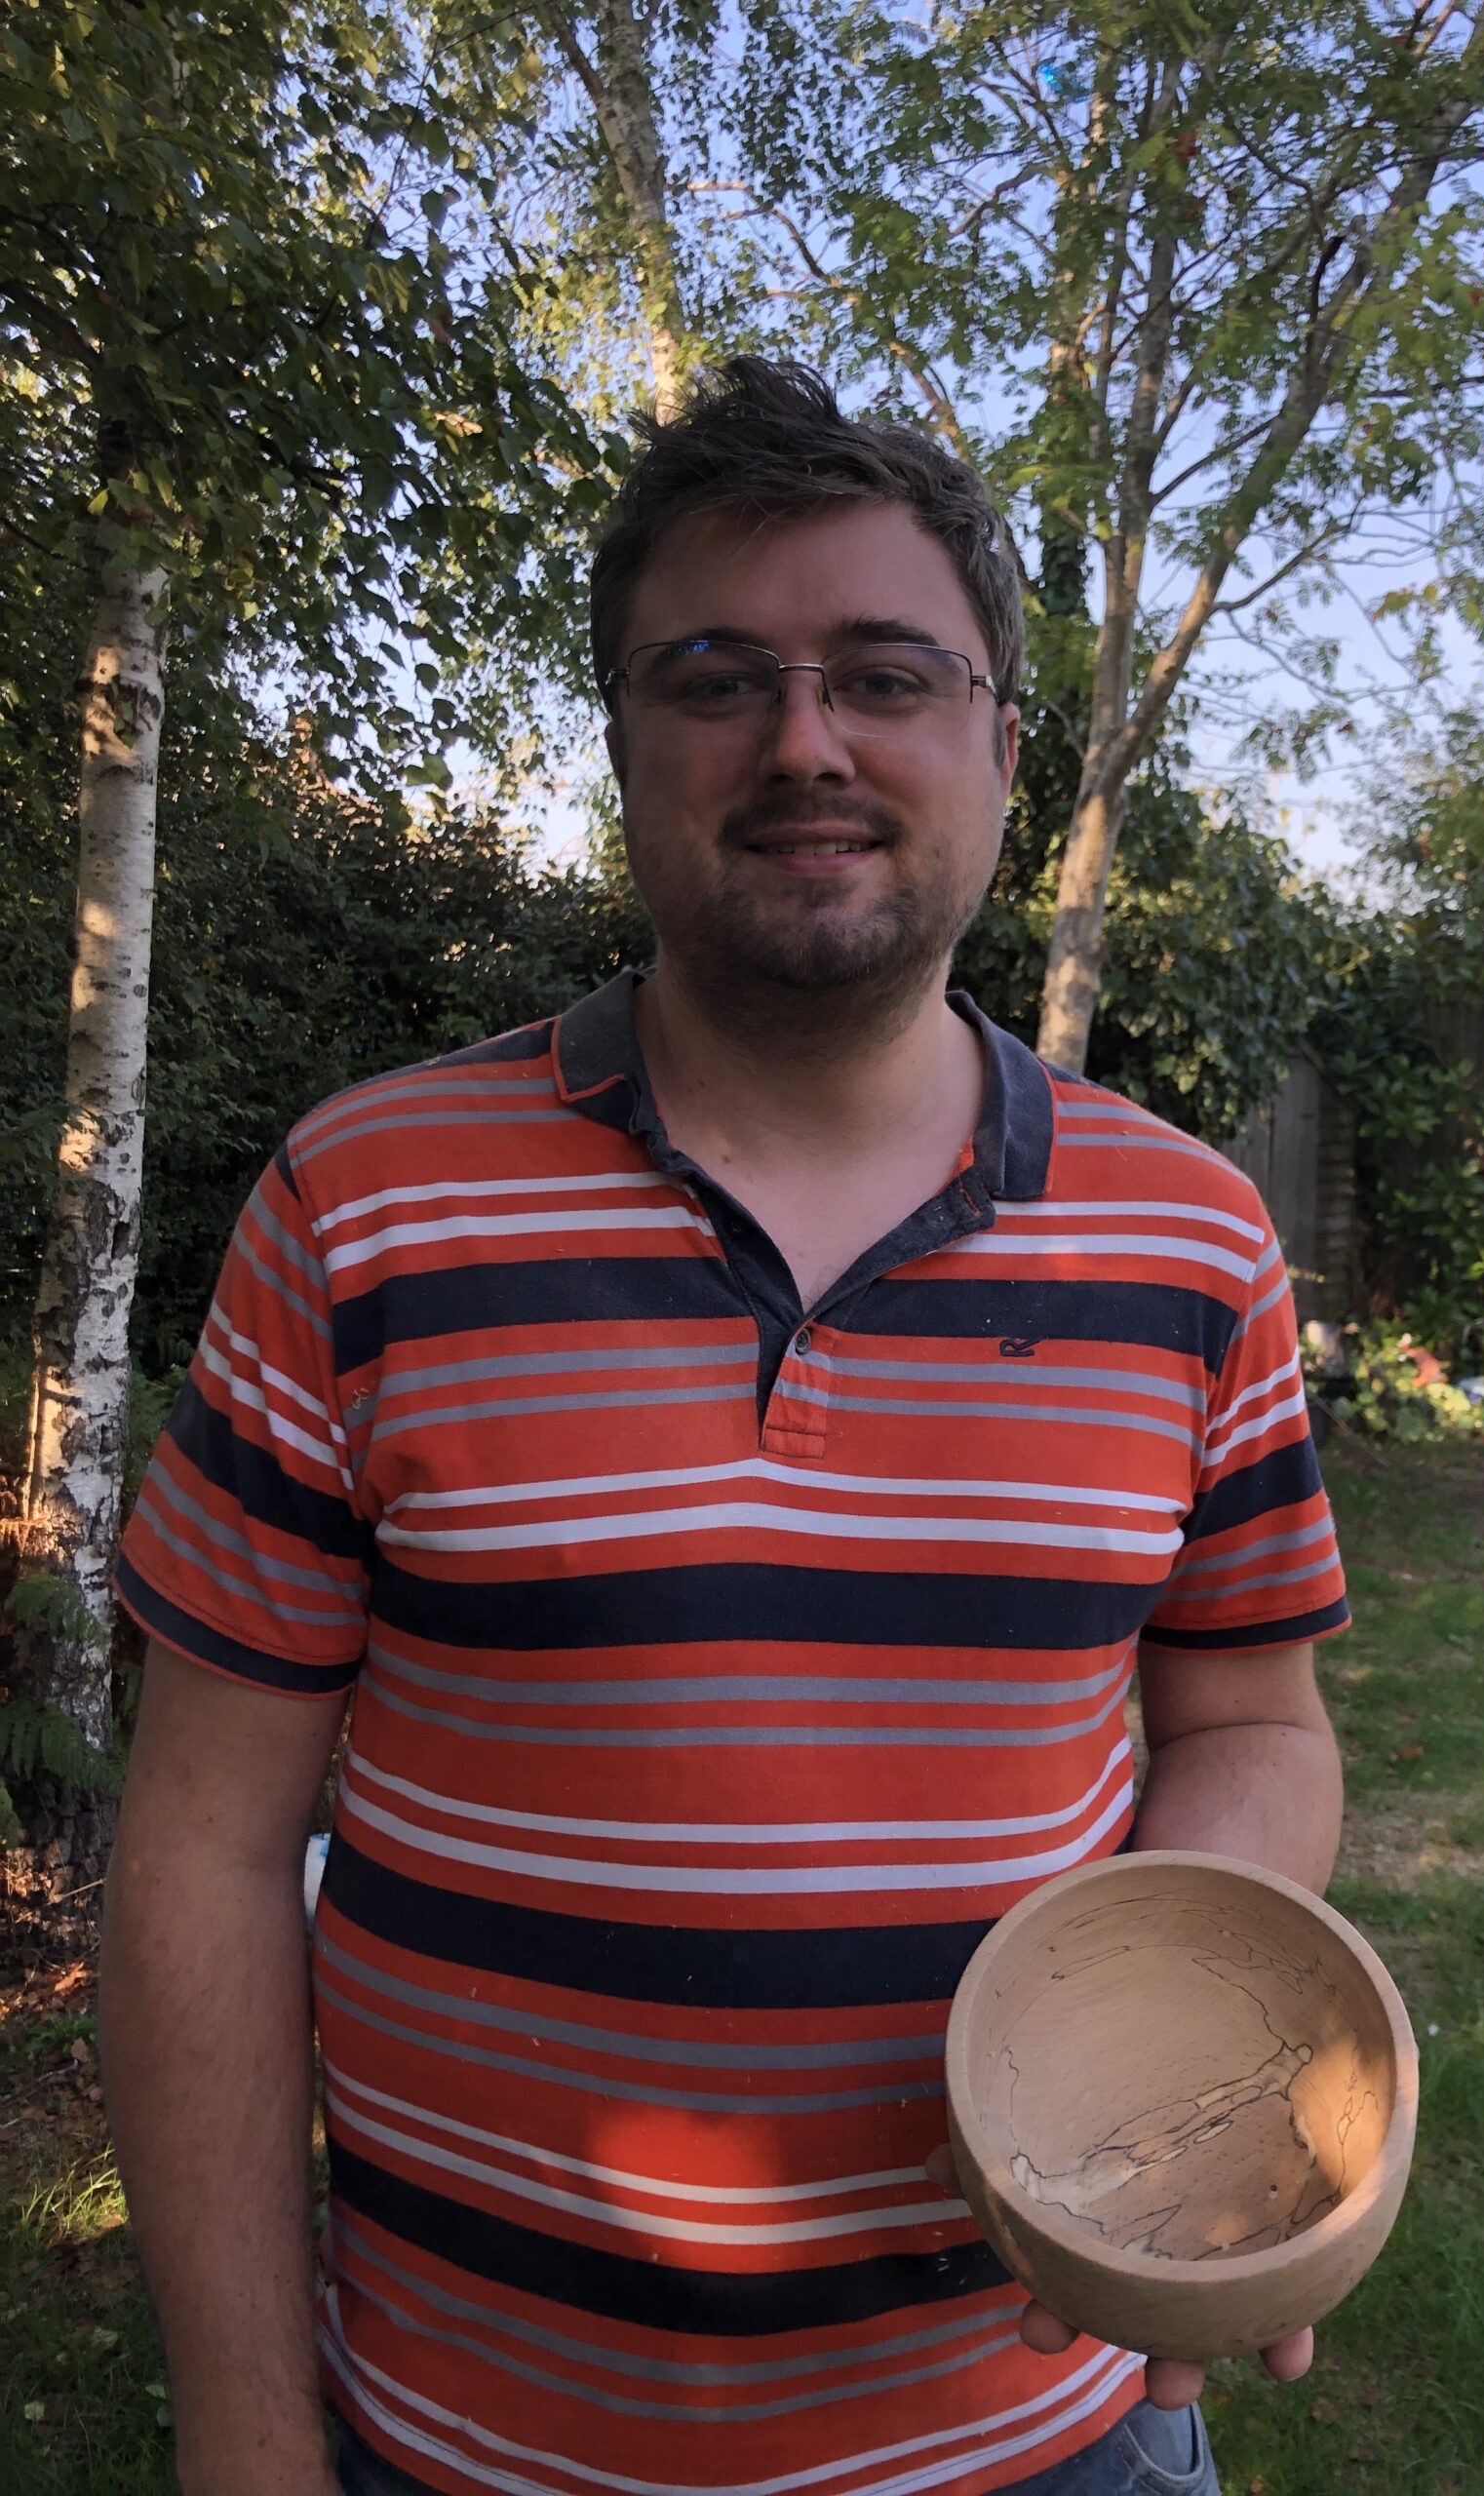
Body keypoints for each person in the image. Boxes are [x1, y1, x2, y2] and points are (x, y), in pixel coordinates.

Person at [100, 357, 1348, 2496]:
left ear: (998, 743)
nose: (804, 742)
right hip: (468, 2439)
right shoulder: (365, 1199)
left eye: (885, 672)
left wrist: (1196, 2077)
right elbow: (207, 1842)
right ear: (622, 735)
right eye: (716, 675)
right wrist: (240, 2419)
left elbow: (1252, 1719)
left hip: (1046, 2438)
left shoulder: (1192, 1234)